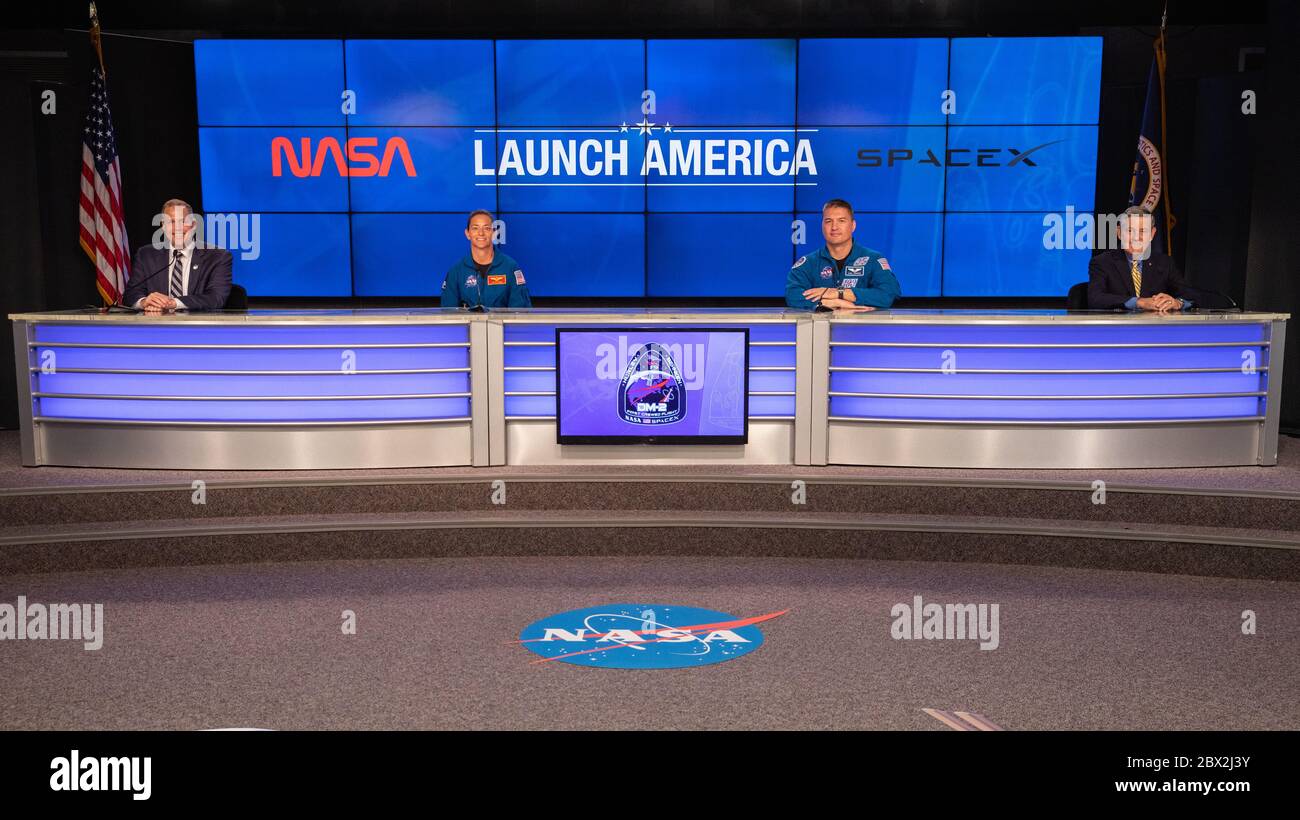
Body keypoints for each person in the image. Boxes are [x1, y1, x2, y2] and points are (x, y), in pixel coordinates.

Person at [785, 198, 901, 311]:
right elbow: (792, 295)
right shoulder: (808, 263)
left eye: (841, 220)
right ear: (822, 226)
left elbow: (889, 293)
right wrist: (829, 303)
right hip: (818, 329)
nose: (834, 227)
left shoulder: (873, 259)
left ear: (853, 225)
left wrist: (840, 293)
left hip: (863, 329)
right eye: (828, 221)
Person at [123, 199, 232, 313]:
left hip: (199, 327)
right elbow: (130, 294)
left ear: (194, 225)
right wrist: (144, 302)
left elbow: (216, 298)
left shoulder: (218, 256)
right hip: (157, 326)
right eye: (171, 222)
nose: (177, 228)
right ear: (163, 226)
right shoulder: (146, 255)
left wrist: (173, 303)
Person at [1087, 206, 1193, 311]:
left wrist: (1178, 303)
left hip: (1154, 326)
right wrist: (1139, 302)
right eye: (1129, 230)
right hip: (1118, 326)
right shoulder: (1102, 262)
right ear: (1119, 233)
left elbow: (1190, 295)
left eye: (1142, 231)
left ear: (1152, 234)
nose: (1136, 237)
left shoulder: (1165, 263)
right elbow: (1095, 298)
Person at [441, 210, 532, 308]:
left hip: (503, 324)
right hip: (467, 324)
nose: (481, 233)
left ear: (493, 233)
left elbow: (521, 313)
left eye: (487, 228)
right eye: (475, 228)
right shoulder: (456, 271)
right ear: (467, 233)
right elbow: (448, 314)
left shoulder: (510, 267)